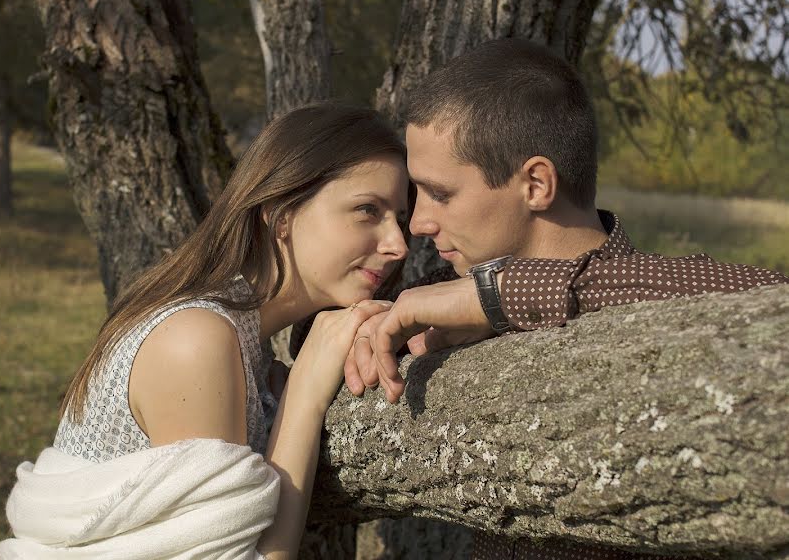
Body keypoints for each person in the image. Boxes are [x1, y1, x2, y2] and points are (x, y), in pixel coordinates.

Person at [338, 38, 789, 560]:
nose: (418, 223)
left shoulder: (667, 294)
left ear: (535, 184)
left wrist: (504, 294)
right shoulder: (445, 294)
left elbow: (771, 303)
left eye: (440, 194)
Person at [0, 103, 411, 559]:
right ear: (280, 214)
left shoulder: (243, 342)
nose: (397, 245)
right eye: (367, 210)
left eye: (400, 219)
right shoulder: (195, 339)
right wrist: (305, 393)